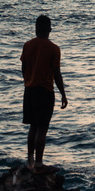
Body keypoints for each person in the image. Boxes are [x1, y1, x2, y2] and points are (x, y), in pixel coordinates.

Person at [21, 14, 68, 174]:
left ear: (36, 29)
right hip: (45, 91)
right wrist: (63, 94)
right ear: (49, 30)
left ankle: (30, 162)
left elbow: (24, 68)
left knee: (33, 127)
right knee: (42, 129)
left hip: (29, 90)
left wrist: (28, 81)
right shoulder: (54, 49)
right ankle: (39, 164)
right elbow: (57, 74)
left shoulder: (27, 45)